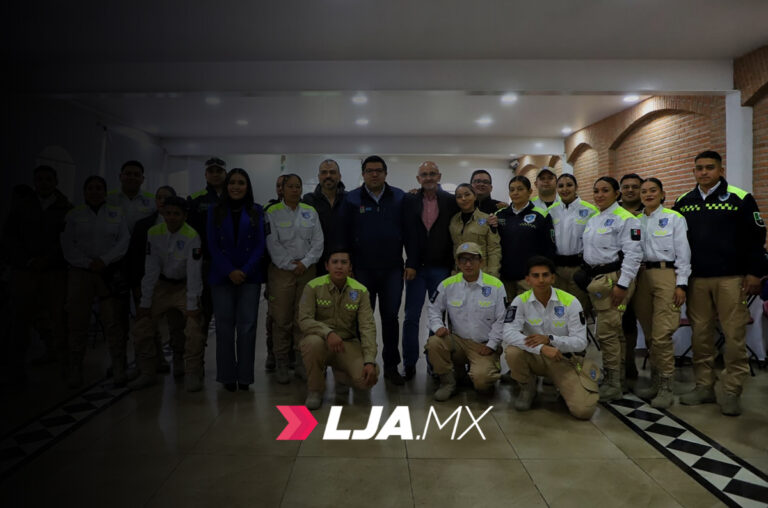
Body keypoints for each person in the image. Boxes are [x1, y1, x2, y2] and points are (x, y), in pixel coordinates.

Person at [674, 150, 767, 416]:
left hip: (731, 278)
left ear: (720, 169)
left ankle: (731, 391)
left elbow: (757, 237)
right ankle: (704, 387)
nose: (704, 172)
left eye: (709, 168)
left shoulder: (740, 198)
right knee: (700, 335)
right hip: (696, 280)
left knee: (734, 336)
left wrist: (754, 272)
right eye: (699, 168)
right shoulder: (684, 201)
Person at [339, 155, 410, 385]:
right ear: (363, 174)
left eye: (378, 170)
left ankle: (391, 366)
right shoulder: (351, 199)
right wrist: (347, 266)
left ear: (386, 173)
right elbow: (344, 235)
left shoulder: (399, 197)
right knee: (362, 319)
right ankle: (362, 364)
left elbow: (410, 232)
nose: (374, 174)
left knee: (390, 318)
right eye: (369, 170)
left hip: (391, 270)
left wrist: (411, 262)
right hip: (362, 270)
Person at [503, 256, 600, 419]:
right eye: (535, 276)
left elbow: (581, 342)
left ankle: (561, 387)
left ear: (553, 278)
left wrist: (550, 340)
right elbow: (508, 333)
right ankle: (527, 387)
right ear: (527, 279)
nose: (541, 280)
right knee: (512, 351)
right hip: (535, 356)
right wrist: (542, 347)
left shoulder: (570, 302)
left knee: (583, 411)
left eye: (545, 275)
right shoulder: (520, 301)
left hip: (562, 359)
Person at [2, 165, 72, 384]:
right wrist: (26, 260)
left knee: (59, 319)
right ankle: (16, 370)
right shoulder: (22, 206)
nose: (43, 183)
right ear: (34, 181)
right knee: (20, 321)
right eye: (39, 179)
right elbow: (11, 237)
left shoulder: (65, 208)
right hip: (25, 271)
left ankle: (66, 366)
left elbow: (67, 239)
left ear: (56, 181)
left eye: (48, 179)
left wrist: (47, 259)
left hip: (54, 271)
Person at [129, 197, 207, 391]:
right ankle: (147, 371)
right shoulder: (154, 233)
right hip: (161, 286)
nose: (172, 218)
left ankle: (192, 372)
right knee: (142, 325)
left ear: (184, 216)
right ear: (163, 214)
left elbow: (194, 272)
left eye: (177, 214)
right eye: (168, 213)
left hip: (185, 286)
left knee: (193, 328)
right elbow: (151, 268)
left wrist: (192, 304)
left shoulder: (192, 236)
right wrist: (145, 301)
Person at [61, 176, 131, 388]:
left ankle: (118, 366)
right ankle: (75, 368)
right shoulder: (74, 215)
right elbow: (67, 244)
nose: (94, 192)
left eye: (99, 188)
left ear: (105, 191)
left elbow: (123, 241)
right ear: (84, 192)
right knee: (77, 323)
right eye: (90, 188)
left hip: (107, 273)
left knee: (113, 322)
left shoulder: (116, 213)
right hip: (80, 274)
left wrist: (105, 260)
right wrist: (86, 262)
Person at [581, 176, 642, 401]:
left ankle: (613, 383)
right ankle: (620, 378)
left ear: (617, 193)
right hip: (597, 278)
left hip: (615, 279)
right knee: (614, 331)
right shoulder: (595, 219)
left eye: (605, 190)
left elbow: (634, 255)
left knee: (606, 332)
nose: (599, 195)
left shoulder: (625, 219)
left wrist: (622, 285)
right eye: (596, 191)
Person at [633, 178, 691, 408]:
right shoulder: (635, 221)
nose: (648, 194)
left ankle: (667, 386)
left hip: (667, 275)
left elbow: (684, 253)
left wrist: (682, 284)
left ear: (662, 193)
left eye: (652, 191)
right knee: (649, 334)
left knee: (662, 334)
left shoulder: (675, 218)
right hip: (642, 277)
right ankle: (656, 382)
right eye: (644, 191)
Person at [207, 168, 266, 392]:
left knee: (247, 327)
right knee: (223, 328)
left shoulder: (256, 211)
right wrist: (230, 270)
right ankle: (227, 377)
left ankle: (245, 377)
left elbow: (260, 244)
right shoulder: (214, 211)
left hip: (249, 277)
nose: (236, 186)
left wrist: (244, 270)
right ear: (226, 185)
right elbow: (212, 244)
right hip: (222, 276)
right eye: (232, 182)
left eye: (241, 182)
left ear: (247, 186)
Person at [298, 249, 379, 410]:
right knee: (311, 343)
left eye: (344, 262)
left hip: (346, 345)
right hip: (320, 342)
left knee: (369, 378)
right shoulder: (313, 286)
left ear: (350, 267)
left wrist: (369, 360)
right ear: (327, 266)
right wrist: (328, 333)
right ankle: (315, 390)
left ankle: (342, 375)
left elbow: (367, 327)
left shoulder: (360, 291)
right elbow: (304, 320)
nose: (339, 266)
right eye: (334, 262)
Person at [401, 161, 459, 380]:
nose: (428, 177)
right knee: (411, 318)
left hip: (440, 269)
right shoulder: (409, 200)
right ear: (418, 179)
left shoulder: (450, 201)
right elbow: (407, 234)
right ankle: (408, 364)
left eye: (432, 174)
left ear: (439, 176)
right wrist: (410, 263)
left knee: (438, 319)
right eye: (424, 174)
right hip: (415, 269)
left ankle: (435, 364)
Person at [426, 242, 505, 401]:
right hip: (458, 341)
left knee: (482, 384)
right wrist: (438, 326)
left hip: (483, 344)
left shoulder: (495, 286)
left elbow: (501, 319)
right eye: (463, 260)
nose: (468, 264)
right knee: (434, 343)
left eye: (473, 259)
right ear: (457, 263)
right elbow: (433, 309)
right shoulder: (447, 284)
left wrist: (491, 345)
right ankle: (448, 382)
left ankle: (487, 367)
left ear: (481, 261)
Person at [265, 173, 324, 384]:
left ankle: (301, 361)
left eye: (298, 186)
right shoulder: (272, 212)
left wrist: (305, 263)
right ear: (282, 189)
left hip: (306, 270)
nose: (294, 190)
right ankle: (282, 361)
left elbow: (318, 241)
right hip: (282, 271)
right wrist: (291, 265)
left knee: (303, 318)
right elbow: (272, 243)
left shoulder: (310, 211)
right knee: (281, 319)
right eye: (290, 186)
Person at [126, 185, 181, 375]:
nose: (162, 201)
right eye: (159, 197)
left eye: (166, 197)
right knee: (146, 326)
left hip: (174, 284)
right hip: (149, 282)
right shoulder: (144, 226)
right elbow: (137, 257)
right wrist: (137, 285)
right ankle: (149, 364)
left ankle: (178, 363)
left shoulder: (185, 228)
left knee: (176, 327)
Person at [187, 157, 228, 351]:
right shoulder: (196, 200)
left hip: (229, 265)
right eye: (211, 171)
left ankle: (225, 359)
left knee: (226, 315)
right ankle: (196, 360)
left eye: (219, 170)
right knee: (203, 312)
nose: (215, 174)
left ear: (225, 173)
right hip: (206, 264)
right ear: (205, 174)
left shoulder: (233, 197)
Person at [495, 175, 556, 300]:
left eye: (520, 189)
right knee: (508, 314)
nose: (515, 193)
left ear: (529, 191)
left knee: (529, 314)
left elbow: (549, 248)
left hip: (529, 278)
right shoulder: (500, 215)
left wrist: (543, 274)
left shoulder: (541, 215)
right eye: (512, 190)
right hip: (504, 276)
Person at [547, 174, 598, 312]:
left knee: (579, 308)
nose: (565, 189)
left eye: (569, 185)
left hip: (579, 268)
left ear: (576, 187)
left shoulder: (590, 210)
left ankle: (580, 334)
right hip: (557, 269)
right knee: (558, 308)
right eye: (561, 186)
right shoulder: (551, 211)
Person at [619, 173, 645, 388]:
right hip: (620, 274)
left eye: (635, 187)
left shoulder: (653, 209)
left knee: (645, 319)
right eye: (625, 186)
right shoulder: (611, 211)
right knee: (624, 320)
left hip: (647, 273)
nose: (630, 190)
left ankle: (658, 373)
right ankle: (625, 363)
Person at [302, 159, 347, 275]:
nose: (328, 176)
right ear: (319, 176)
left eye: (332, 172)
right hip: (316, 263)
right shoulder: (308, 200)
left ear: (339, 176)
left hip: (343, 263)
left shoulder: (350, 199)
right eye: (324, 172)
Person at [449, 183, 501, 277]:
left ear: (475, 196)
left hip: (481, 274)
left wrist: (493, 274)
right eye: (459, 196)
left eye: (467, 194)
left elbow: (494, 250)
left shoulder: (487, 220)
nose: (463, 199)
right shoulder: (453, 220)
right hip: (459, 274)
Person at [263, 174, 287, 371]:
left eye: (285, 185)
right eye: (279, 185)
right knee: (274, 316)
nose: (282, 188)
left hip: (297, 270)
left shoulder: (302, 210)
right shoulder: (268, 210)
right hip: (275, 271)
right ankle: (273, 354)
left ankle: (292, 355)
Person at [107, 160, 155, 233]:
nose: (132, 177)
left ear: (142, 179)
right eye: (128, 174)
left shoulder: (153, 200)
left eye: (136, 175)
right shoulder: (108, 198)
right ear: (120, 177)